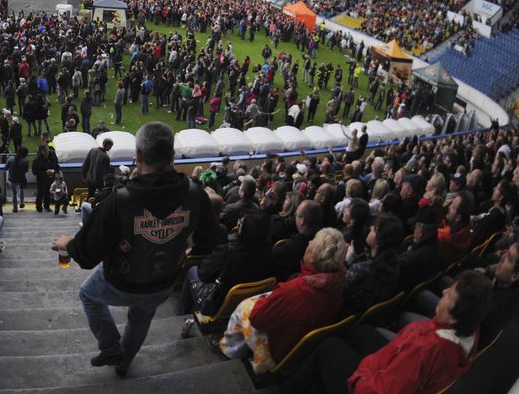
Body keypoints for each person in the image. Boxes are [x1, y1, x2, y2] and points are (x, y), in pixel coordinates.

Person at [51, 121, 222, 377]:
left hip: (121, 280)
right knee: (141, 319)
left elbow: (86, 255)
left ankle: (111, 348)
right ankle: (122, 364)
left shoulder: (119, 201)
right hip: (162, 281)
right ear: (173, 156)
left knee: (88, 295)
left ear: (138, 156)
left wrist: (68, 244)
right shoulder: (196, 194)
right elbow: (211, 241)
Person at [276, 270, 492, 394]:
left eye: (449, 295)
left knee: (328, 348)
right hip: (392, 364)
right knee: (362, 332)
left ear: (456, 314)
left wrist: (363, 371)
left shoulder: (426, 350)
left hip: (372, 383)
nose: (443, 292)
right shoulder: (471, 329)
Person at [216, 227, 347, 373]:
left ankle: (229, 350)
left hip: (279, 350)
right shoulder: (338, 282)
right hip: (300, 346)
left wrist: (264, 301)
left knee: (244, 308)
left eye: (313, 241)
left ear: (312, 256)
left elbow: (257, 319)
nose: (309, 241)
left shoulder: (296, 291)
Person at [32, 144, 59, 212]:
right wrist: (45, 172)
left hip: (50, 177)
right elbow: (35, 172)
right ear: (41, 152)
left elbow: (56, 164)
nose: (47, 152)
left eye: (47, 150)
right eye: (45, 151)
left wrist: (55, 172)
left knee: (48, 192)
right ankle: (39, 207)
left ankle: (47, 206)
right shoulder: (37, 160)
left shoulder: (52, 154)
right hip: (41, 179)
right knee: (40, 193)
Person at [5, 146, 29, 212]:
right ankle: (21, 203)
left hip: (12, 179)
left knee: (14, 193)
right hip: (21, 179)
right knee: (21, 189)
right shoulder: (25, 161)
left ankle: (15, 208)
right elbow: (26, 170)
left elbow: (5, 168)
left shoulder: (11, 159)